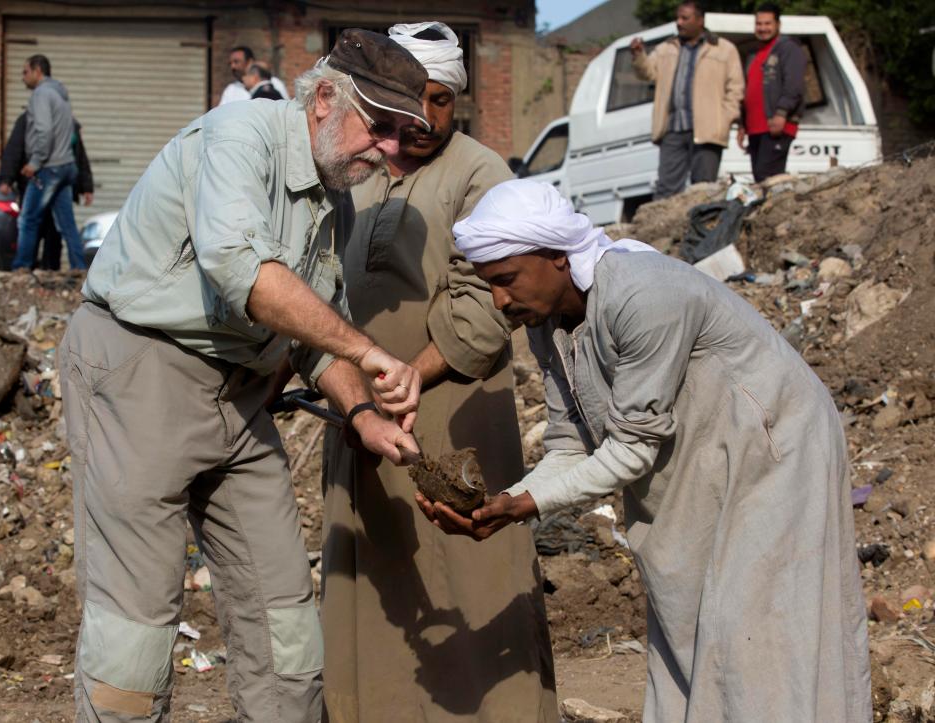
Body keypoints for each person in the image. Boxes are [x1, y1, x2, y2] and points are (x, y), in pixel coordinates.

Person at [60, 29, 431, 723]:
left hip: (240, 397)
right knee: (136, 633)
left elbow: (315, 334)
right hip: (141, 378)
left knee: (285, 624)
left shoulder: (335, 201)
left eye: (399, 134)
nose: (388, 149)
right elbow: (241, 272)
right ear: (324, 99)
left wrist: (363, 413)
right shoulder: (240, 137)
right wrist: (369, 350)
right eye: (379, 127)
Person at [419, 179, 872, 721]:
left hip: (774, 450)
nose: (500, 301)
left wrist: (526, 506)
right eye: (490, 285)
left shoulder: (641, 292)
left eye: (507, 280)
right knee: (688, 621)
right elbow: (572, 446)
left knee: (758, 626)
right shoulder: (547, 327)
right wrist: (506, 503)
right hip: (697, 459)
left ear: (558, 257)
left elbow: (629, 451)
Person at [319, 22, 557, 722]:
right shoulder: (358, 168)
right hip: (362, 416)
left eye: (441, 100)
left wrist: (404, 376)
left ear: (462, 99)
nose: (425, 118)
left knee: (466, 581)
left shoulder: (480, 173)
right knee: (375, 585)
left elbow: (486, 307)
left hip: (451, 414)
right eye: (411, 101)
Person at [629, 1, 743, 199]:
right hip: (672, 129)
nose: (679, 23)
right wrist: (638, 55)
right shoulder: (666, 48)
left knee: (704, 190)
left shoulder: (723, 49)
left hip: (708, 130)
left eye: (685, 18)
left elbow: (736, 87)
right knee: (666, 189)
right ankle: (662, 230)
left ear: (700, 21)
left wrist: (724, 119)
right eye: (678, 18)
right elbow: (647, 73)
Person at [11, 54, 86, 270]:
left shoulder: (41, 94)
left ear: (37, 71)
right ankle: (79, 268)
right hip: (66, 165)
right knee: (67, 224)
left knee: (28, 220)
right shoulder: (61, 94)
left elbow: (44, 131)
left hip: (49, 168)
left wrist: (35, 162)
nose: (23, 78)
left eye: (25, 72)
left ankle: (21, 267)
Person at [0, 111, 94, 270]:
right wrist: (6, 178)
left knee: (48, 231)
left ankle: (44, 269)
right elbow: (14, 151)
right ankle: (29, 268)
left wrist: (86, 186)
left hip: (48, 180)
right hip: (36, 182)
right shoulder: (29, 120)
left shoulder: (67, 123)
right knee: (41, 227)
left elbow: (79, 155)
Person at [737, 3, 807, 182]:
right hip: (755, 128)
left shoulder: (788, 49)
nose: (762, 28)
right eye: (759, 24)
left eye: (767, 23)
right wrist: (742, 124)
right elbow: (749, 91)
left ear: (778, 25)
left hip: (775, 126)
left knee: (769, 177)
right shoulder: (755, 54)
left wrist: (781, 113)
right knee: (760, 179)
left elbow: (794, 85)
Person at [219, 45, 289, 105]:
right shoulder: (230, 89)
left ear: (250, 61)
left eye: (236, 62)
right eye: (230, 63)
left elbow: (284, 110)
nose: (232, 67)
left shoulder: (274, 83)